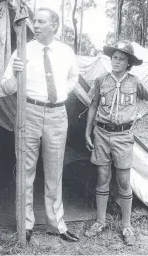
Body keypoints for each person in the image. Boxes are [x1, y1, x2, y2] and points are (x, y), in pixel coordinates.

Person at [0, 7, 80, 242]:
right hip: (29, 112)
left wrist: (63, 92)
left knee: (55, 171)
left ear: (54, 26)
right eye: (34, 21)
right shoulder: (22, 51)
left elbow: (74, 76)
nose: (35, 25)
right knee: (26, 170)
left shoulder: (66, 52)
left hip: (57, 115)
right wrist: (15, 74)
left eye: (41, 21)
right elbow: (5, 88)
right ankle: (25, 223)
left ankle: (56, 224)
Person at [85, 40, 148, 245]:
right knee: (102, 177)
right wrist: (88, 132)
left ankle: (126, 226)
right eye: (114, 58)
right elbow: (93, 107)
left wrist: (138, 115)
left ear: (128, 63)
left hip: (123, 136)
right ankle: (100, 221)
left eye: (122, 59)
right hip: (102, 133)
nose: (117, 61)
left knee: (123, 180)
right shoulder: (101, 80)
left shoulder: (135, 81)